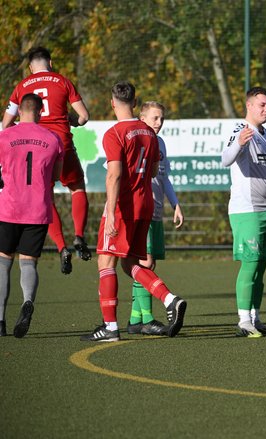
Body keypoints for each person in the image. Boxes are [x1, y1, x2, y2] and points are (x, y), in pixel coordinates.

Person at [80, 82, 187, 342]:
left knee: (106, 261)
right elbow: (154, 172)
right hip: (146, 204)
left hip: (124, 207)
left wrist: (111, 212)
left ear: (112, 103)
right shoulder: (150, 134)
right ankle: (170, 299)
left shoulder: (114, 133)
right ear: (135, 103)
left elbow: (114, 175)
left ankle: (110, 327)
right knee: (130, 264)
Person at [3, 47, 91, 274]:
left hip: (37, 147)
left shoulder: (21, 86)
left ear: (30, 67)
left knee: (45, 196)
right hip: (62, 142)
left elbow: (6, 123)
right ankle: (79, 236)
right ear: (50, 63)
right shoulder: (63, 81)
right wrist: (72, 120)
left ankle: (62, 247)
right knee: (77, 187)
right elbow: (84, 116)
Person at [221, 87, 266, 338]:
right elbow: (225, 159)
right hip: (245, 210)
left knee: (260, 267)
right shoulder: (240, 131)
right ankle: (243, 320)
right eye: (262, 105)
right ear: (249, 105)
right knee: (250, 264)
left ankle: (256, 318)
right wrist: (239, 143)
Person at [0, 94, 63, 338]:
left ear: (19, 111)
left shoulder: (4, 137)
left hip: (9, 208)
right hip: (37, 209)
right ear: (40, 111)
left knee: (3, 262)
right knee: (28, 262)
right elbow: (55, 176)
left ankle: (1, 321)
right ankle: (27, 301)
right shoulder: (53, 139)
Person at [126, 101, 185, 336]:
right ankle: (148, 319)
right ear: (142, 119)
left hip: (156, 211)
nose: (159, 123)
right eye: (155, 118)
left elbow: (164, 177)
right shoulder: (136, 139)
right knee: (145, 263)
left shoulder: (160, 142)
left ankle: (135, 319)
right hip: (142, 211)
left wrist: (175, 204)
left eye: (162, 118)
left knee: (148, 264)